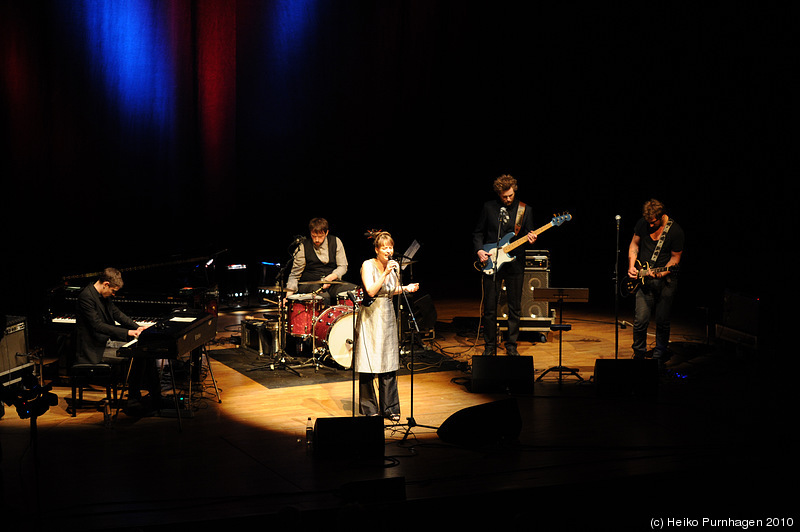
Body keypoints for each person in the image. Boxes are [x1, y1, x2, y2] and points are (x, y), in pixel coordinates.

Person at [353, 232, 419, 421]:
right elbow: (372, 290)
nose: (388, 251)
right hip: (371, 315)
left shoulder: (395, 266)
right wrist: (385, 273)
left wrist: (406, 288)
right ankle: (369, 408)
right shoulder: (367, 265)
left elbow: (391, 290)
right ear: (377, 250)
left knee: (388, 361)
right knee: (368, 361)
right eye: (384, 248)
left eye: (390, 247)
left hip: (388, 315)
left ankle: (390, 408)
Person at [74, 267, 158, 414]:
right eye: (113, 290)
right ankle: (133, 399)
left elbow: (117, 314)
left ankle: (156, 397)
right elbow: (97, 325)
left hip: (105, 344)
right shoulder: (86, 297)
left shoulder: (103, 296)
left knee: (145, 351)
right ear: (106, 284)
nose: (113, 294)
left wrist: (138, 327)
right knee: (137, 355)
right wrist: (129, 333)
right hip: (93, 349)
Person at [472, 174, 538, 356]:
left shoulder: (525, 210)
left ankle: (511, 345)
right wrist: (479, 250)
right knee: (490, 307)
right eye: (504, 196)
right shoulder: (489, 207)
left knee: (514, 306)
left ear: (514, 191)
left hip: (515, 263)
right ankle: (490, 345)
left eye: (510, 195)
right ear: (498, 194)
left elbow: (528, 234)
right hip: (492, 261)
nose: (508, 199)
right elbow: (478, 233)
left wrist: (532, 239)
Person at [627, 198, 684, 368]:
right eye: (648, 222)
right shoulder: (642, 224)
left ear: (661, 216)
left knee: (662, 320)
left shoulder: (675, 231)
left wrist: (662, 273)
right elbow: (634, 245)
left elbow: (675, 259)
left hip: (665, 281)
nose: (650, 226)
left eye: (653, 223)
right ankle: (639, 354)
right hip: (643, 280)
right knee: (640, 320)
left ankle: (659, 354)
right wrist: (631, 266)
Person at [286, 217, 354, 306]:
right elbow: (295, 275)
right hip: (310, 284)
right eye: (314, 236)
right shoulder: (303, 247)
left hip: (331, 282)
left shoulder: (336, 242)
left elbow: (343, 266)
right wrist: (288, 297)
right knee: (324, 297)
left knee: (352, 291)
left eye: (320, 236)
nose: (317, 240)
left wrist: (330, 278)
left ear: (326, 233)